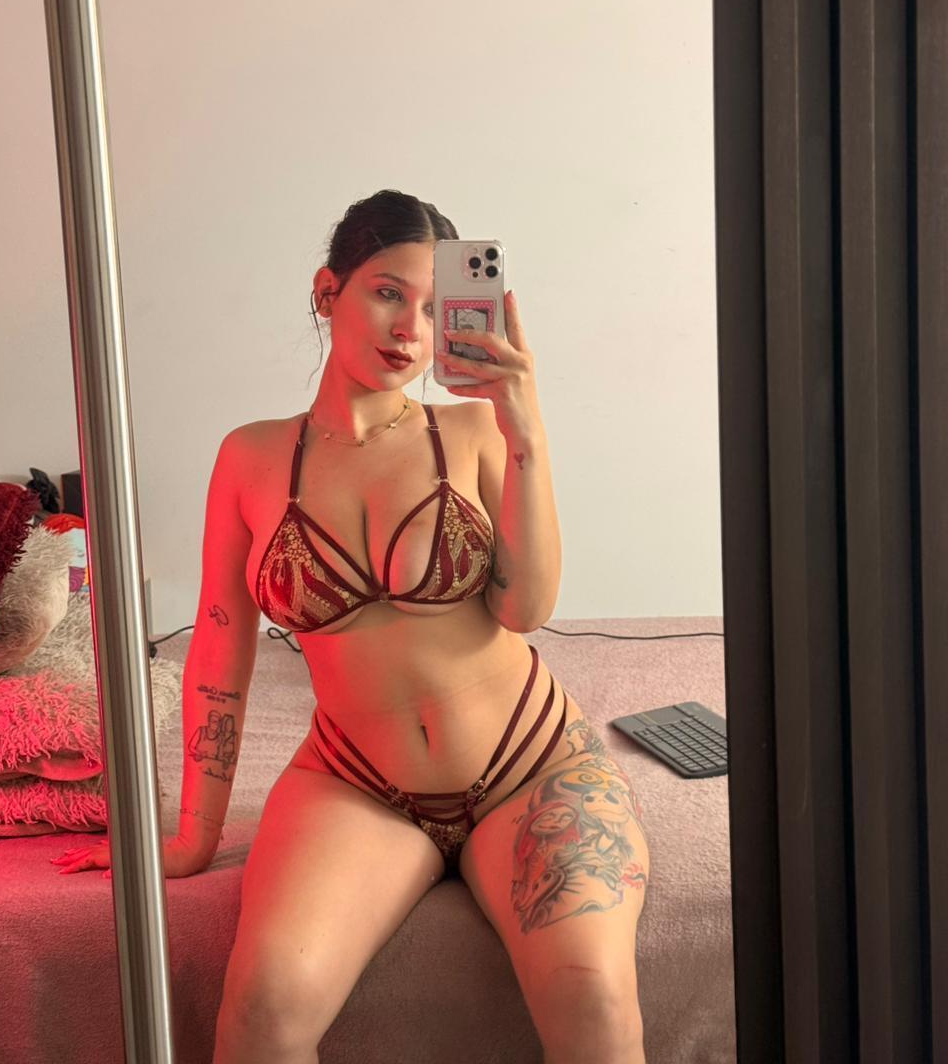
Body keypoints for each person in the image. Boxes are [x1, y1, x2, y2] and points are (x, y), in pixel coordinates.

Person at [54, 189, 650, 1064]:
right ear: (327, 290)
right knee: (264, 1009)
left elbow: (526, 610)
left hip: (531, 768)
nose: (410, 329)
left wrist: (526, 431)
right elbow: (219, 646)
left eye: (434, 309)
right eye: (387, 292)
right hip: (360, 786)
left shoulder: (474, 430)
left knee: (592, 996)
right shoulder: (251, 457)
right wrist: (194, 836)